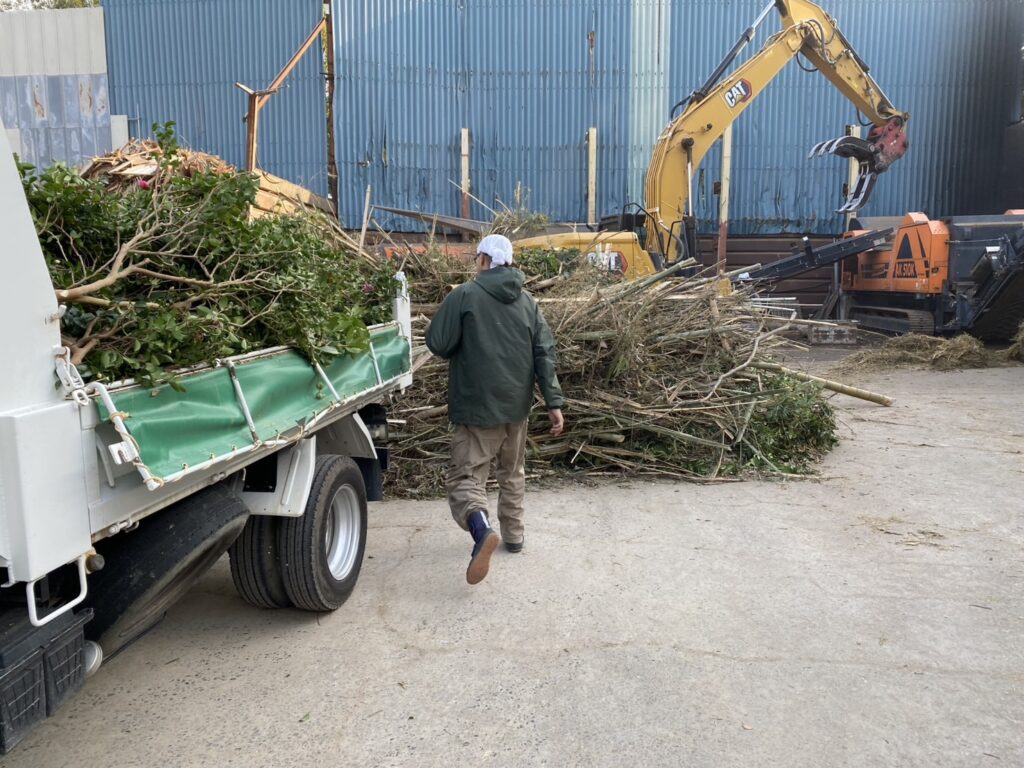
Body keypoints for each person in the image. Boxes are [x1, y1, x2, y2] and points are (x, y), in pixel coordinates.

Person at [425, 233, 564, 585]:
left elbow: (438, 343)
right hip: (517, 407)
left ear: (485, 260)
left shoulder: (466, 295)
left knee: (466, 477)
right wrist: (553, 403)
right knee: (512, 472)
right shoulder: (529, 302)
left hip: (476, 407)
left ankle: (481, 528)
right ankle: (514, 536)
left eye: (477, 258)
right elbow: (544, 353)